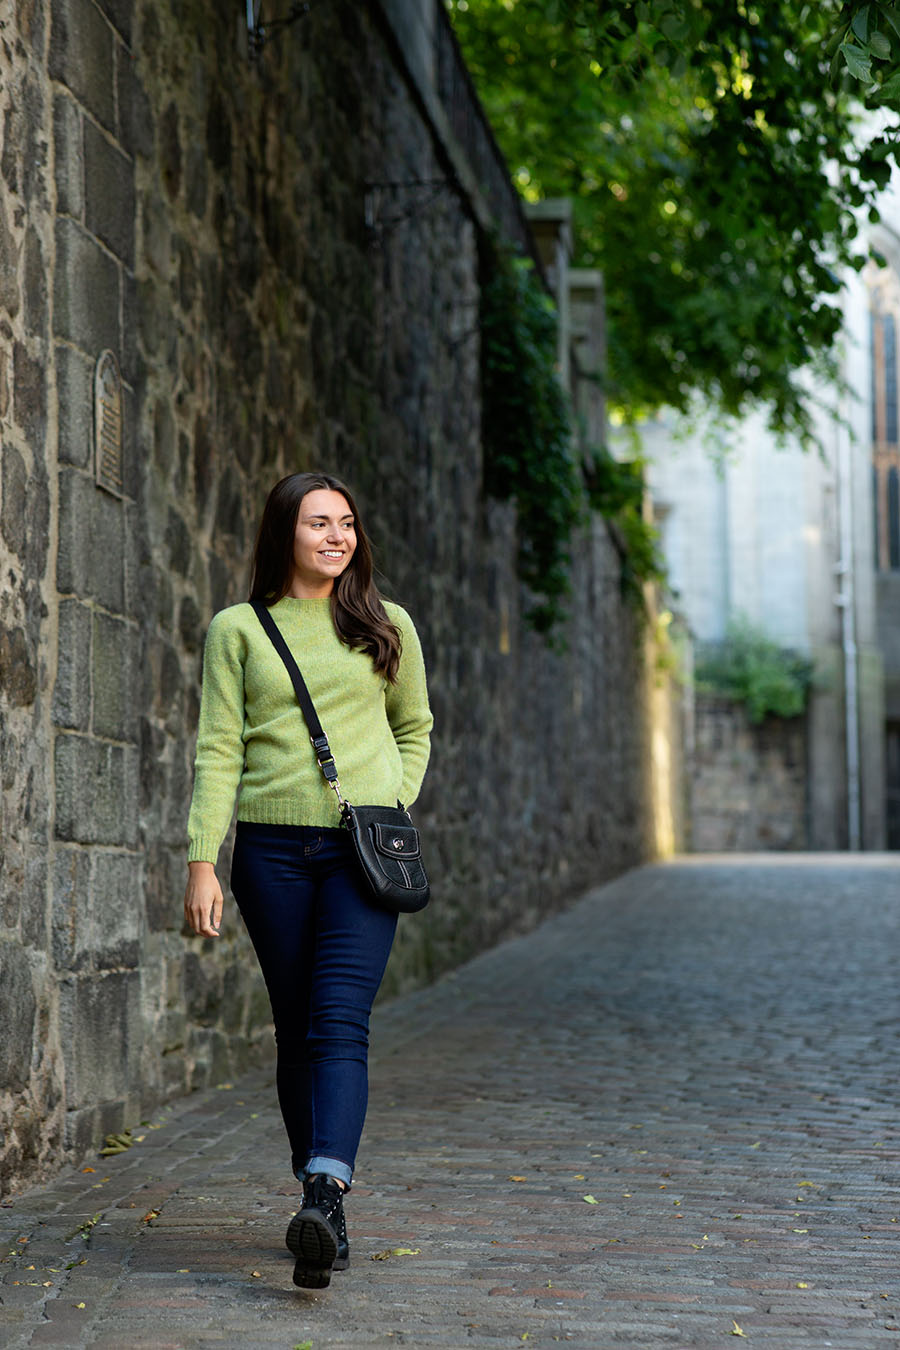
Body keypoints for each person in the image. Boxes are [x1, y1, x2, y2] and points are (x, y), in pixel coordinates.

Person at [183, 471, 433, 1289]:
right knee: (296, 1025)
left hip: (362, 853)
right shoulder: (239, 630)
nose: (337, 537)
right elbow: (220, 747)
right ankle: (317, 1198)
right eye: (320, 523)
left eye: (348, 525)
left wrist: (391, 805)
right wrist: (201, 859)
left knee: (339, 1021)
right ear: (284, 532)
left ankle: (325, 1192)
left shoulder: (385, 625)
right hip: (270, 854)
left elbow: (414, 728)